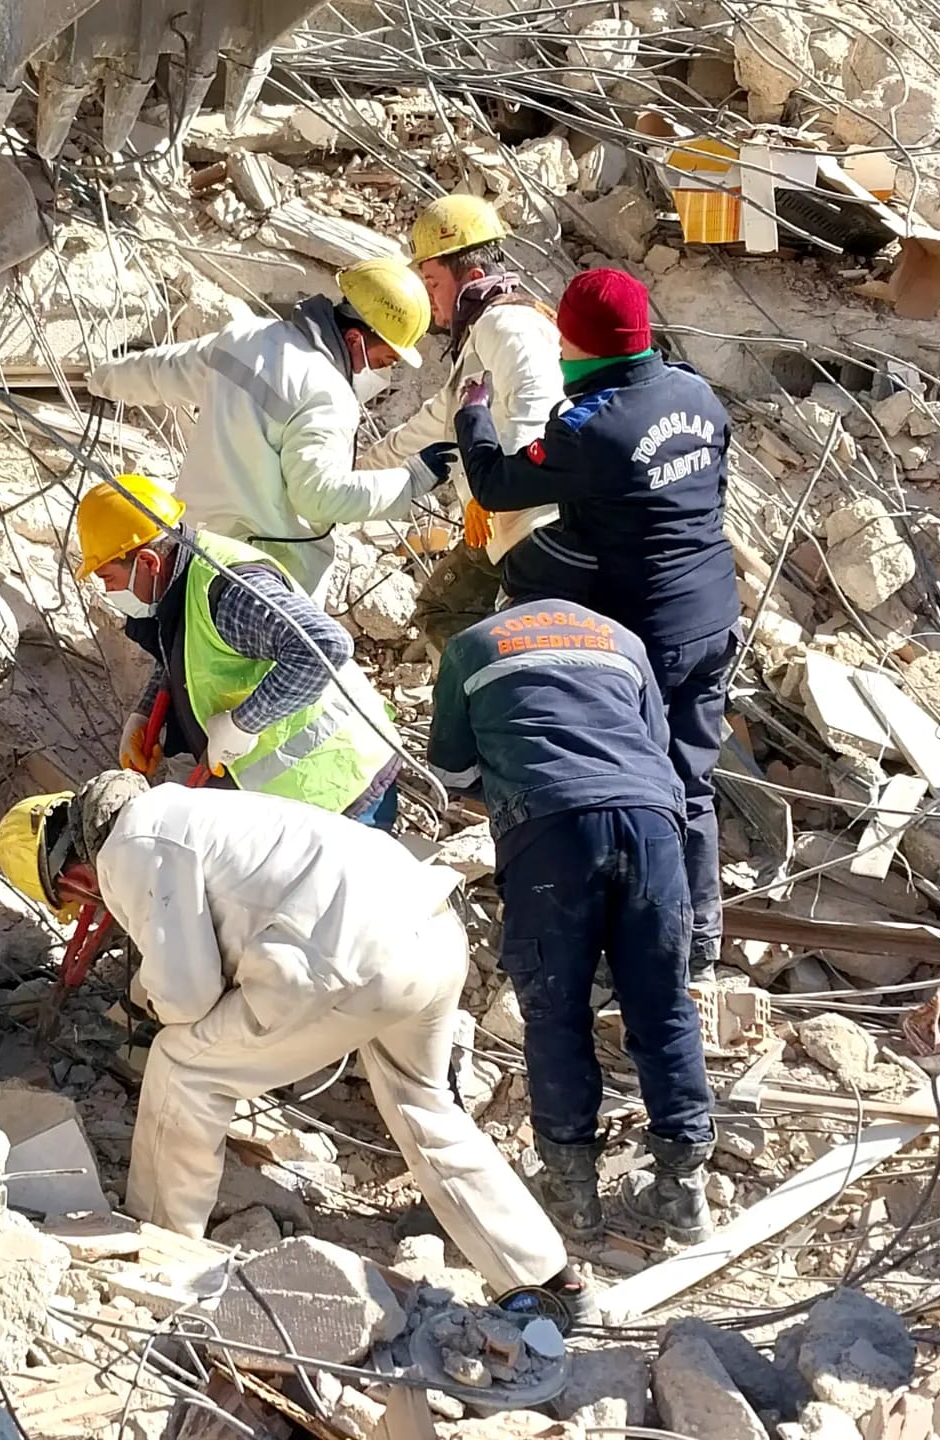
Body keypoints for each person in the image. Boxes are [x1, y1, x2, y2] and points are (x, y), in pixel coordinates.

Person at [0, 772, 595, 1322]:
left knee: (182, 1068)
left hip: (348, 958)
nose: (89, 903)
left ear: (71, 874)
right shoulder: (192, 810)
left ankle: (159, 1255)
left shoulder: (129, 846)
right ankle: (543, 1277)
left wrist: (153, 996)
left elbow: (187, 997)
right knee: (424, 1105)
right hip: (429, 929)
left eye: (75, 899)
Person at [453, 268, 740, 983]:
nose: (558, 347)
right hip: (711, 614)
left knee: (637, 787)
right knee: (691, 778)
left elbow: (496, 484)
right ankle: (700, 940)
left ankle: (647, 948)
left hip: (644, 633)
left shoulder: (592, 428)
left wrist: (473, 415)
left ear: (577, 342)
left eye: (564, 339)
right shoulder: (696, 395)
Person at [428, 600, 716, 1243]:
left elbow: (449, 770)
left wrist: (514, 774)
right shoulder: (622, 636)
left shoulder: (473, 645)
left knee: (556, 1011)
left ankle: (573, 1194)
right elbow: (654, 745)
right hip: (651, 821)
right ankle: (683, 1192)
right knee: (663, 1005)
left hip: (551, 831)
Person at [86, 258, 455, 602]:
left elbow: (163, 371)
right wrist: (410, 481)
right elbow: (319, 497)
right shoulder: (328, 395)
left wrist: (102, 379)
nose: (382, 373)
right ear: (356, 339)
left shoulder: (247, 338)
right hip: (265, 579)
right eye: (384, 360)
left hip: (196, 553)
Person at [77, 473, 402, 828]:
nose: (109, 592)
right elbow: (189, 652)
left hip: (347, 785)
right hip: (302, 797)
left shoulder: (228, 594)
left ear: (148, 562)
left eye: (108, 578)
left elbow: (325, 646)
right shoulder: (180, 582)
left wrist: (243, 724)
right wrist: (143, 715)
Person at [359, 196, 563, 657]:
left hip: (540, 527)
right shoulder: (482, 335)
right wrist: (356, 475)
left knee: (494, 632)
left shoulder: (507, 325)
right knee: (442, 608)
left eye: (432, 283)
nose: (427, 297)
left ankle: (493, 693)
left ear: (470, 278)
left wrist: (495, 492)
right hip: (506, 523)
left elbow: (536, 410)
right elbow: (433, 422)